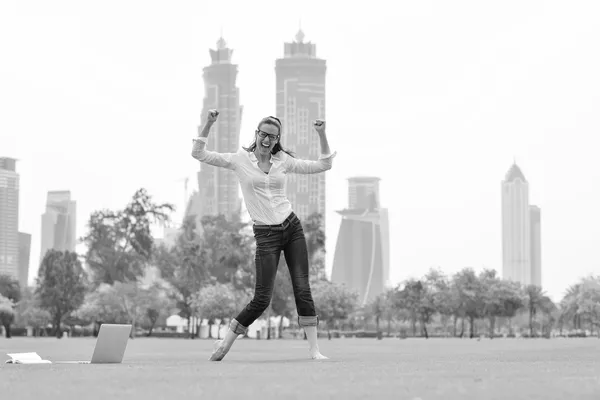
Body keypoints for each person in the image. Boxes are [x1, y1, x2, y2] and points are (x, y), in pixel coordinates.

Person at [191, 109, 336, 361]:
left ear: (277, 139)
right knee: (261, 298)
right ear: (256, 135)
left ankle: (314, 350)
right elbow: (199, 153)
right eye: (264, 134)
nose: (267, 140)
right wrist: (209, 124)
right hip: (265, 234)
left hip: (291, 227)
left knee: (302, 288)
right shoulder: (240, 160)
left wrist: (321, 134)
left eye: (273, 136)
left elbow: (324, 164)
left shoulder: (283, 162)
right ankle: (224, 344)